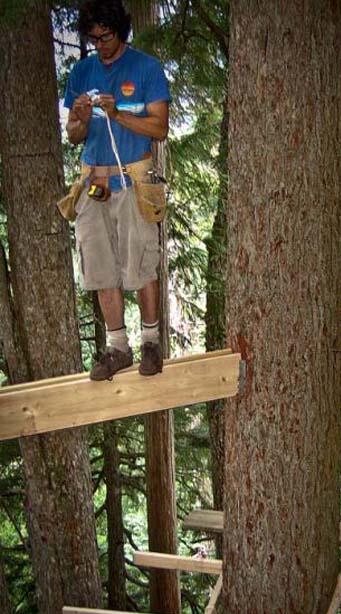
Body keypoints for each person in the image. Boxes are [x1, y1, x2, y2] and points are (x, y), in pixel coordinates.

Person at [64, 0, 170, 380]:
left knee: (141, 263)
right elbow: (75, 135)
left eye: (105, 36)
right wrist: (78, 118)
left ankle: (151, 344)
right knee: (100, 267)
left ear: (120, 30)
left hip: (133, 181)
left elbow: (159, 129)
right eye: (93, 38)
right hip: (94, 184)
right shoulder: (81, 71)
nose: (99, 45)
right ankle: (117, 348)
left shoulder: (146, 68)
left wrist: (118, 114)